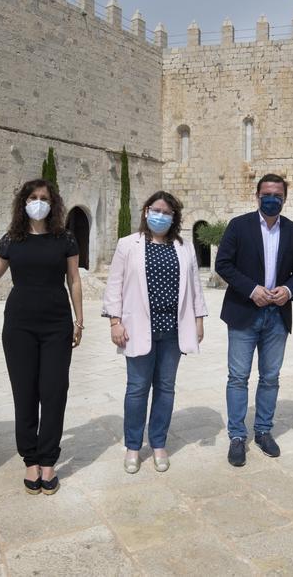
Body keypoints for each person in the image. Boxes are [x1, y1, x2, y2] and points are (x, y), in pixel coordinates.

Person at [0, 179, 83, 495]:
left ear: (53, 204)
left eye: (44, 198)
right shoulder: (12, 239)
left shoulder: (65, 238)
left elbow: (74, 280)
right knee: (24, 392)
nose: (38, 202)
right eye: (33, 197)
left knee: (54, 392)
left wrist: (79, 320)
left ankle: (49, 460)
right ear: (23, 203)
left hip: (57, 325)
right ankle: (30, 459)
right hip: (19, 327)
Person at [103, 191, 208, 474]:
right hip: (137, 328)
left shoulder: (184, 246)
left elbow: (195, 285)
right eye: (155, 210)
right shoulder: (128, 245)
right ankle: (133, 446)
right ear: (146, 211)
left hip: (173, 329)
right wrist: (115, 322)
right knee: (137, 389)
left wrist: (199, 319)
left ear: (173, 217)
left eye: (166, 212)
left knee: (165, 388)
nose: (160, 215)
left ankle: (159, 442)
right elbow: (114, 285)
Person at [215, 173, 293, 467]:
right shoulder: (239, 226)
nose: (271, 199)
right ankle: (237, 436)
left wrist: (290, 289)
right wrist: (251, 289)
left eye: (277, 195)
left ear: (284, 198)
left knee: (270, 378)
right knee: (238, 377)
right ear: (257, 196)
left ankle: (264, 431)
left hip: (276, 315)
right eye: (266, 194)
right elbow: (223, 264)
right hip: (244, 313)